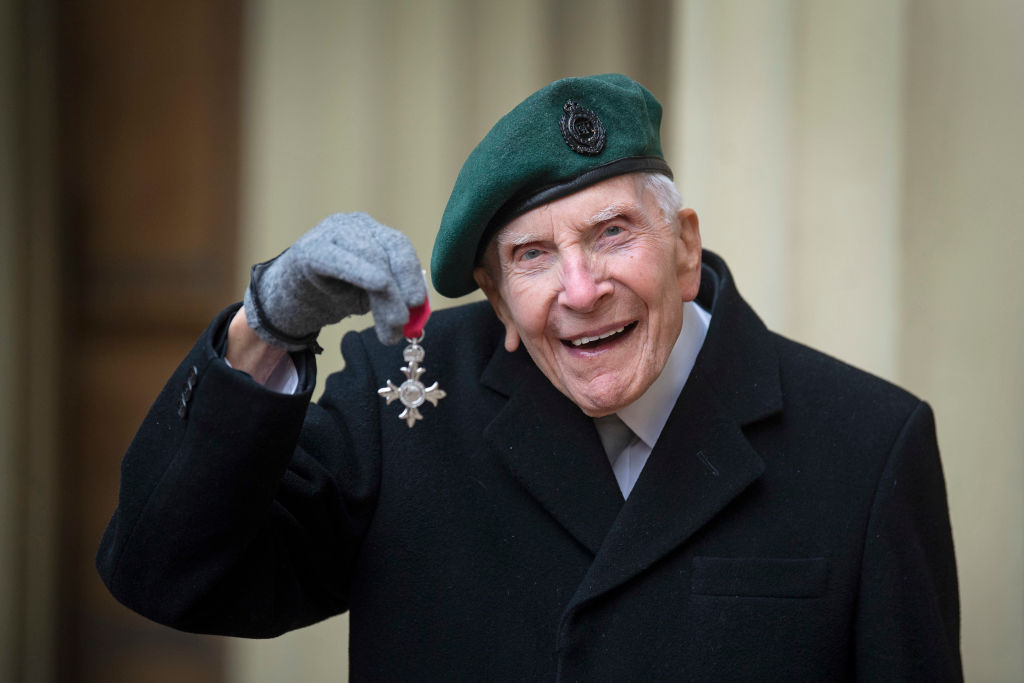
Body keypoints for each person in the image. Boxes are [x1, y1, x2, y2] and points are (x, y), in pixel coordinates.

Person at [97, 74, 962, 681]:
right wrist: (266, 327)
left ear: (686, 247)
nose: (581, 291)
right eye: (533, 255)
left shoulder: (867, 447)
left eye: (614, 231)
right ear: (498, 300)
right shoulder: (404, 402)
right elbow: (167, 571)